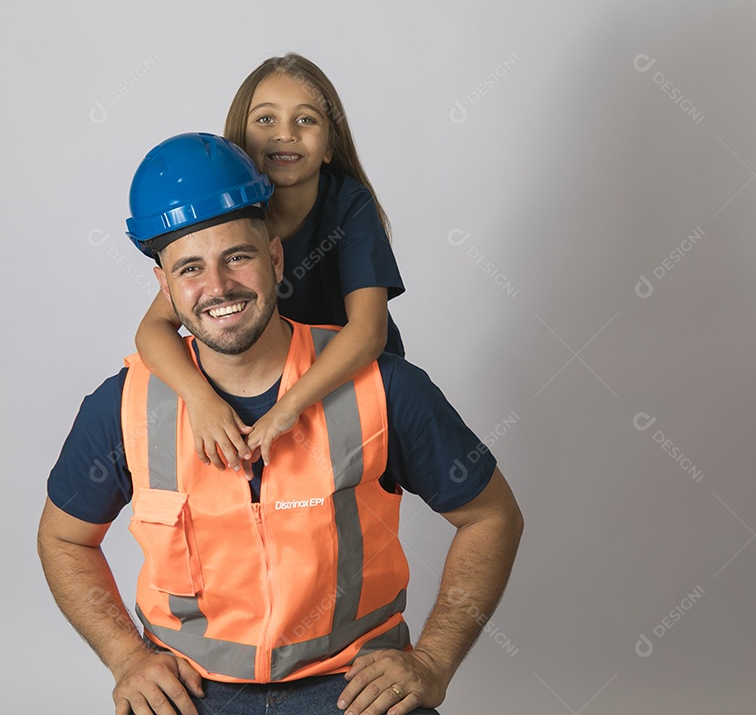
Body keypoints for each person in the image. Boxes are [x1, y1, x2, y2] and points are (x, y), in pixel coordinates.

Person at [38, 133, 523, 715]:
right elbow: (63, 538)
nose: (217, 287)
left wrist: (433, 660)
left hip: (354, 689)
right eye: (191, 268)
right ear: (164, 287)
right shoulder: (123, 406)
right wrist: (127, 658)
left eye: (237, 257)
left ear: (274, 257)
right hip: (189, 693)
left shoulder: (384, 388)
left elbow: (491, 516)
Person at [135, 53, 405, 475]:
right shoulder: (226, 214)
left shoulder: (349, 205)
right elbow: (152, 330)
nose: (285, 134)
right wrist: (200, 399)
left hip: (348, 384)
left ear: (331, 144)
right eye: (265, 120)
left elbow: (369, 332)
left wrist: (290, 405)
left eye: (306, 120)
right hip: (265, 389)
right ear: (238, 145)